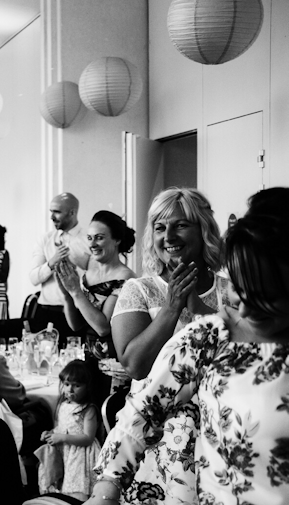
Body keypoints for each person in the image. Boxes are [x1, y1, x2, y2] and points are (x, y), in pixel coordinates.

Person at [88, 187, 289, 505]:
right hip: (171, 461)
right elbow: (139, 387)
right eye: (240, 287)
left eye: (264, 295)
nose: (246, 308)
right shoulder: (202, 330)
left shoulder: (224, 292)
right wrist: (104, 494)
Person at [107, 187, 227, 505]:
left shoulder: (229, 290)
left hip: (221, 434)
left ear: (203, 230)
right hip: (152, 438)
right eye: (159, 227)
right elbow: (134, 365)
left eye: (180, 225)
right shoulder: (139, 290)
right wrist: (172, 307)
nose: (168, 236)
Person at [55, 210, 137, 398]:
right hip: (88, 359)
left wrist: (76, 291)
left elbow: (102, 327)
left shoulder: (126, 277)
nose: (92, 244)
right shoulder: (89, 270)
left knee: (105, 415)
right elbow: (77, 325)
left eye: (99, 238)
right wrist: (67, 295)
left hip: (113, 362)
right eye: (90, 238)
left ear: (116, 240)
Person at [29, 193, 90, 339]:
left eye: (56, 212)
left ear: (72, 212)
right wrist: (52, 262)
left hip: (77, 314)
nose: (51, 217)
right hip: (46, 313)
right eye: (51, 211)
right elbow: (33, 279)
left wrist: (74, 262)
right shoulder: (45, 240)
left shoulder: (88, 240)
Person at [40, 360, 100, 500]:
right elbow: (62, 427)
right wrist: (51, 433)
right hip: (64, 452)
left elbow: (88, 438)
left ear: (87, 386)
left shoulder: (88, 409)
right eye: (67, 384)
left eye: (77, 385)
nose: (70, 390)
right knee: (60, 487)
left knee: (75, 491)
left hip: (79, 455)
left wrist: (62, 438)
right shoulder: (63, 404)